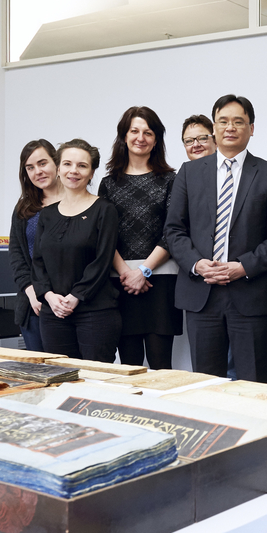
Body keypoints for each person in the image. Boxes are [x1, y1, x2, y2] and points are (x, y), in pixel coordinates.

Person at [164, 95, 267, 382]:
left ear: (251, 128)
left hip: (251, 293)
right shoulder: (189, 173)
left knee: (252, 383)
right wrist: (197, 264)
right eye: (223, 121)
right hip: (201, 293)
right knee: (206, 384)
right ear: (214, 128)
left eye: (238, 121)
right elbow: (174, 230)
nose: (230, 127)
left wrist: (243, 266)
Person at [99, 106, 181, 369]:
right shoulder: (108, 183)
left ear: (156, 139)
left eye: (148, 132)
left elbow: (173, 231)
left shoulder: (171, 179)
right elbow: (103, 236)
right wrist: (127, 273)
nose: (140, 137)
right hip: (120, 282)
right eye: (134, 131)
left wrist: (143, 270)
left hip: (161, 279)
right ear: (124, 135)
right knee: (129, 367)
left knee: (161, 366)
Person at [31, 139, 120, 362]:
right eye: (68, 164)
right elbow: (38, 262)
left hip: (95, 312)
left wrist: (76, 296)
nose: (74, 171)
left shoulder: (105, 210)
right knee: (60, 379)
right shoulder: (47, 215)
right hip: (53, 312)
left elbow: (102, 260)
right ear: (58, 169)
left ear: (91, 173)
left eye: (82, 165)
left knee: (96, 380)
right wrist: (49, 297)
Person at [8, 139, 63, 351]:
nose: (37, 171)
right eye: (30, 167)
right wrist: (32, 292)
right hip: (34, 305)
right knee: (41, 372)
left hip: (69, 302)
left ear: (56, 163)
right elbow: (16, 256)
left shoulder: (77, 203)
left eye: (42, 163)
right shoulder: (24, 209)